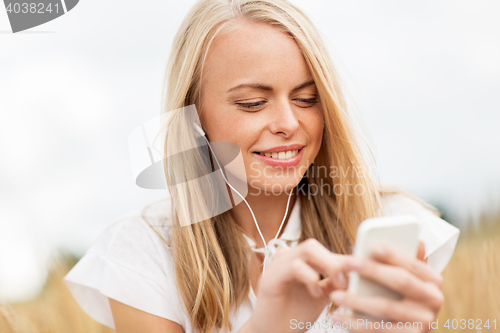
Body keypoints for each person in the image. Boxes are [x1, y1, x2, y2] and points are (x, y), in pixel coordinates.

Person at [63, 0, 460, 332]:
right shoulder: (143, 250)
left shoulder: (387, 221)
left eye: (306, 99)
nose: (289, 123)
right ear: (193, 117)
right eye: (253, 103)